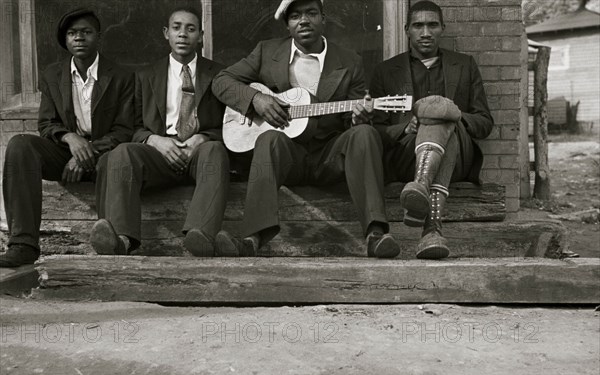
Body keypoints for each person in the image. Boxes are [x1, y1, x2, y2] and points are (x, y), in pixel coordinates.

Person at [211, 0, 399, 258]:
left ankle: (376, 235)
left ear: (324, 18)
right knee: (268, 138)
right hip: (289, 156)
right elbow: (221, 81)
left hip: (329, 155)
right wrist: (257, 100)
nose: (303, 20)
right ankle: (251, 239)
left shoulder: (349, 61)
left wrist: (358, 119)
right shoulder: (266, 52)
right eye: (295, 16)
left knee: (365, 133)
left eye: (311, 13)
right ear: (287, 25)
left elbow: (352, 125)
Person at [0, 9, 134, 267]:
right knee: (20, 145)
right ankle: (23, 245)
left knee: (118, 157)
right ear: (65, 40)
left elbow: (125, 129)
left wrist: (88, 151)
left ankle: (112, 245)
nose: (79, 38)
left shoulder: (121, 76)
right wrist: (70, 138)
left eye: (86, 32)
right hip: (65, 152)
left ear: (99, 37)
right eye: (72, 33)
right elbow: (47, 124)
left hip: (106, 155)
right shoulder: (53, 74)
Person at [91, 7, 227, 257]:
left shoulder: (220, 74)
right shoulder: (145, 75)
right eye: (176, 28)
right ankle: (122, 239)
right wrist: (154, 140)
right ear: (166, 33)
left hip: (200, 154)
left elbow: (231, 123)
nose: (183, 34)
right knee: (123, 152)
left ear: (201, 35)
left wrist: (204, 136)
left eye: (190, 29)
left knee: (215, 149)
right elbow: (131, 126)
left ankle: (202, 235)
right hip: (159, 155)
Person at [370, 0, 493, 259]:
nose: (425, 32)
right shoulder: (385, 71)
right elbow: (375, 131)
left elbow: (484, 123)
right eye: (418, 25)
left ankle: (421, 186)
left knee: (443, 114)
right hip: (406, 156)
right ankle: (431, 230)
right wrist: (405, 129)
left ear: (442, 29)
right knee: (437, 116)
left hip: (459, 156)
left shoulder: (465, 64)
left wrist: (456, 117)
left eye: (432, 25)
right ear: (406, 30)